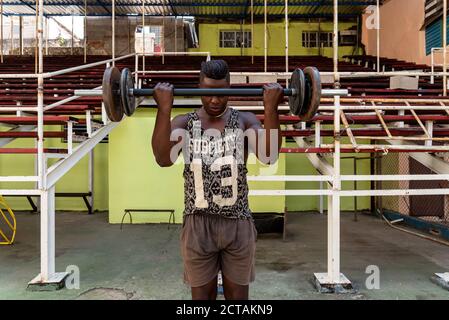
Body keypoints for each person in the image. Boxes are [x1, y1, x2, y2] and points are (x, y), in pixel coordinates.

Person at [151, 59, 282, 300]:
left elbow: (269, 155)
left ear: (229, 89)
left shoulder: (244, 121)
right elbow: (162, 158)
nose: (214, 100)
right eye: (208, 93)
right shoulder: (184, 123)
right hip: (198, 223)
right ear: (199, 87)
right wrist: (164, 109)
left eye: (221, 93)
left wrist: (271, 109)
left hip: (238, 223)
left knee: (238, 299)